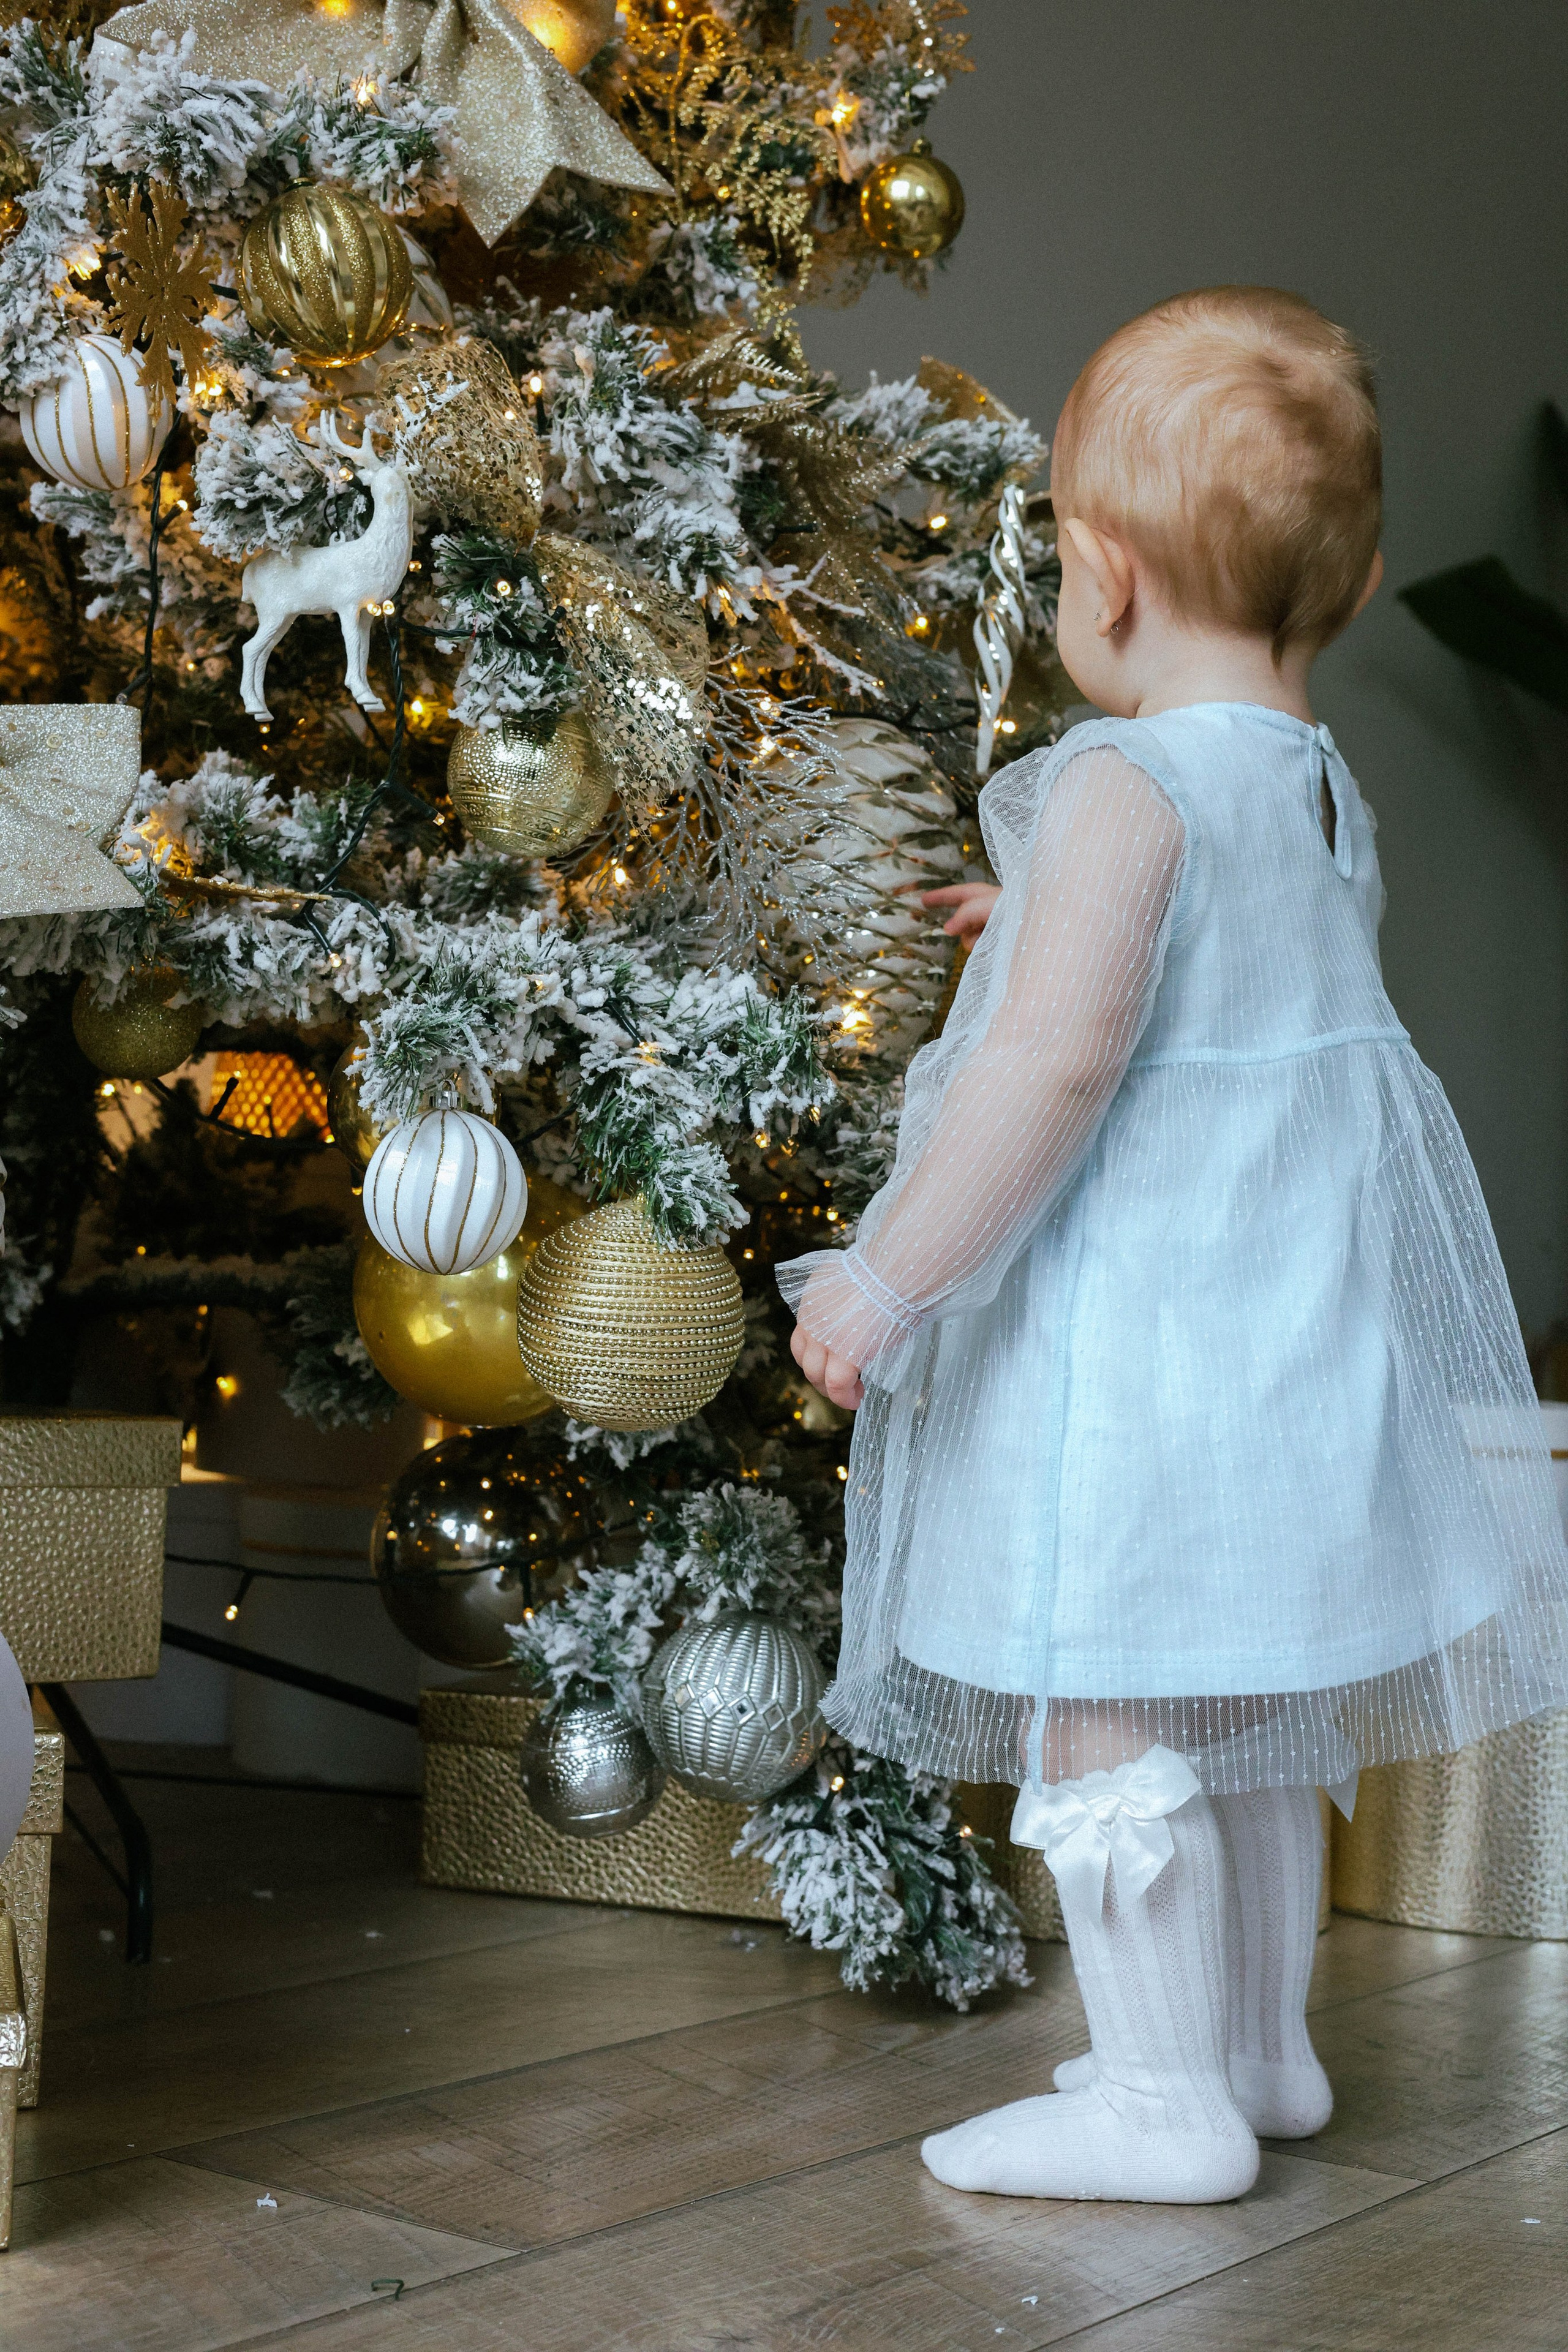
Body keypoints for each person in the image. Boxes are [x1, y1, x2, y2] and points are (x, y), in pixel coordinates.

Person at [778, 285, 1568, 2206]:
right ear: (1362, 582)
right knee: (1253, 1692)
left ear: (1099, 575)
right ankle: (1258, 2050)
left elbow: (1051, 1075)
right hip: (1293, 1352)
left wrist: (891, 1278)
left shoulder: (1119, 789)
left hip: (1137, 1372)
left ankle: (1158, 2104)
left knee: (1103, 1695)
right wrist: (1030, 899)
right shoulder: (1313, 790)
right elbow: (1223, 992)